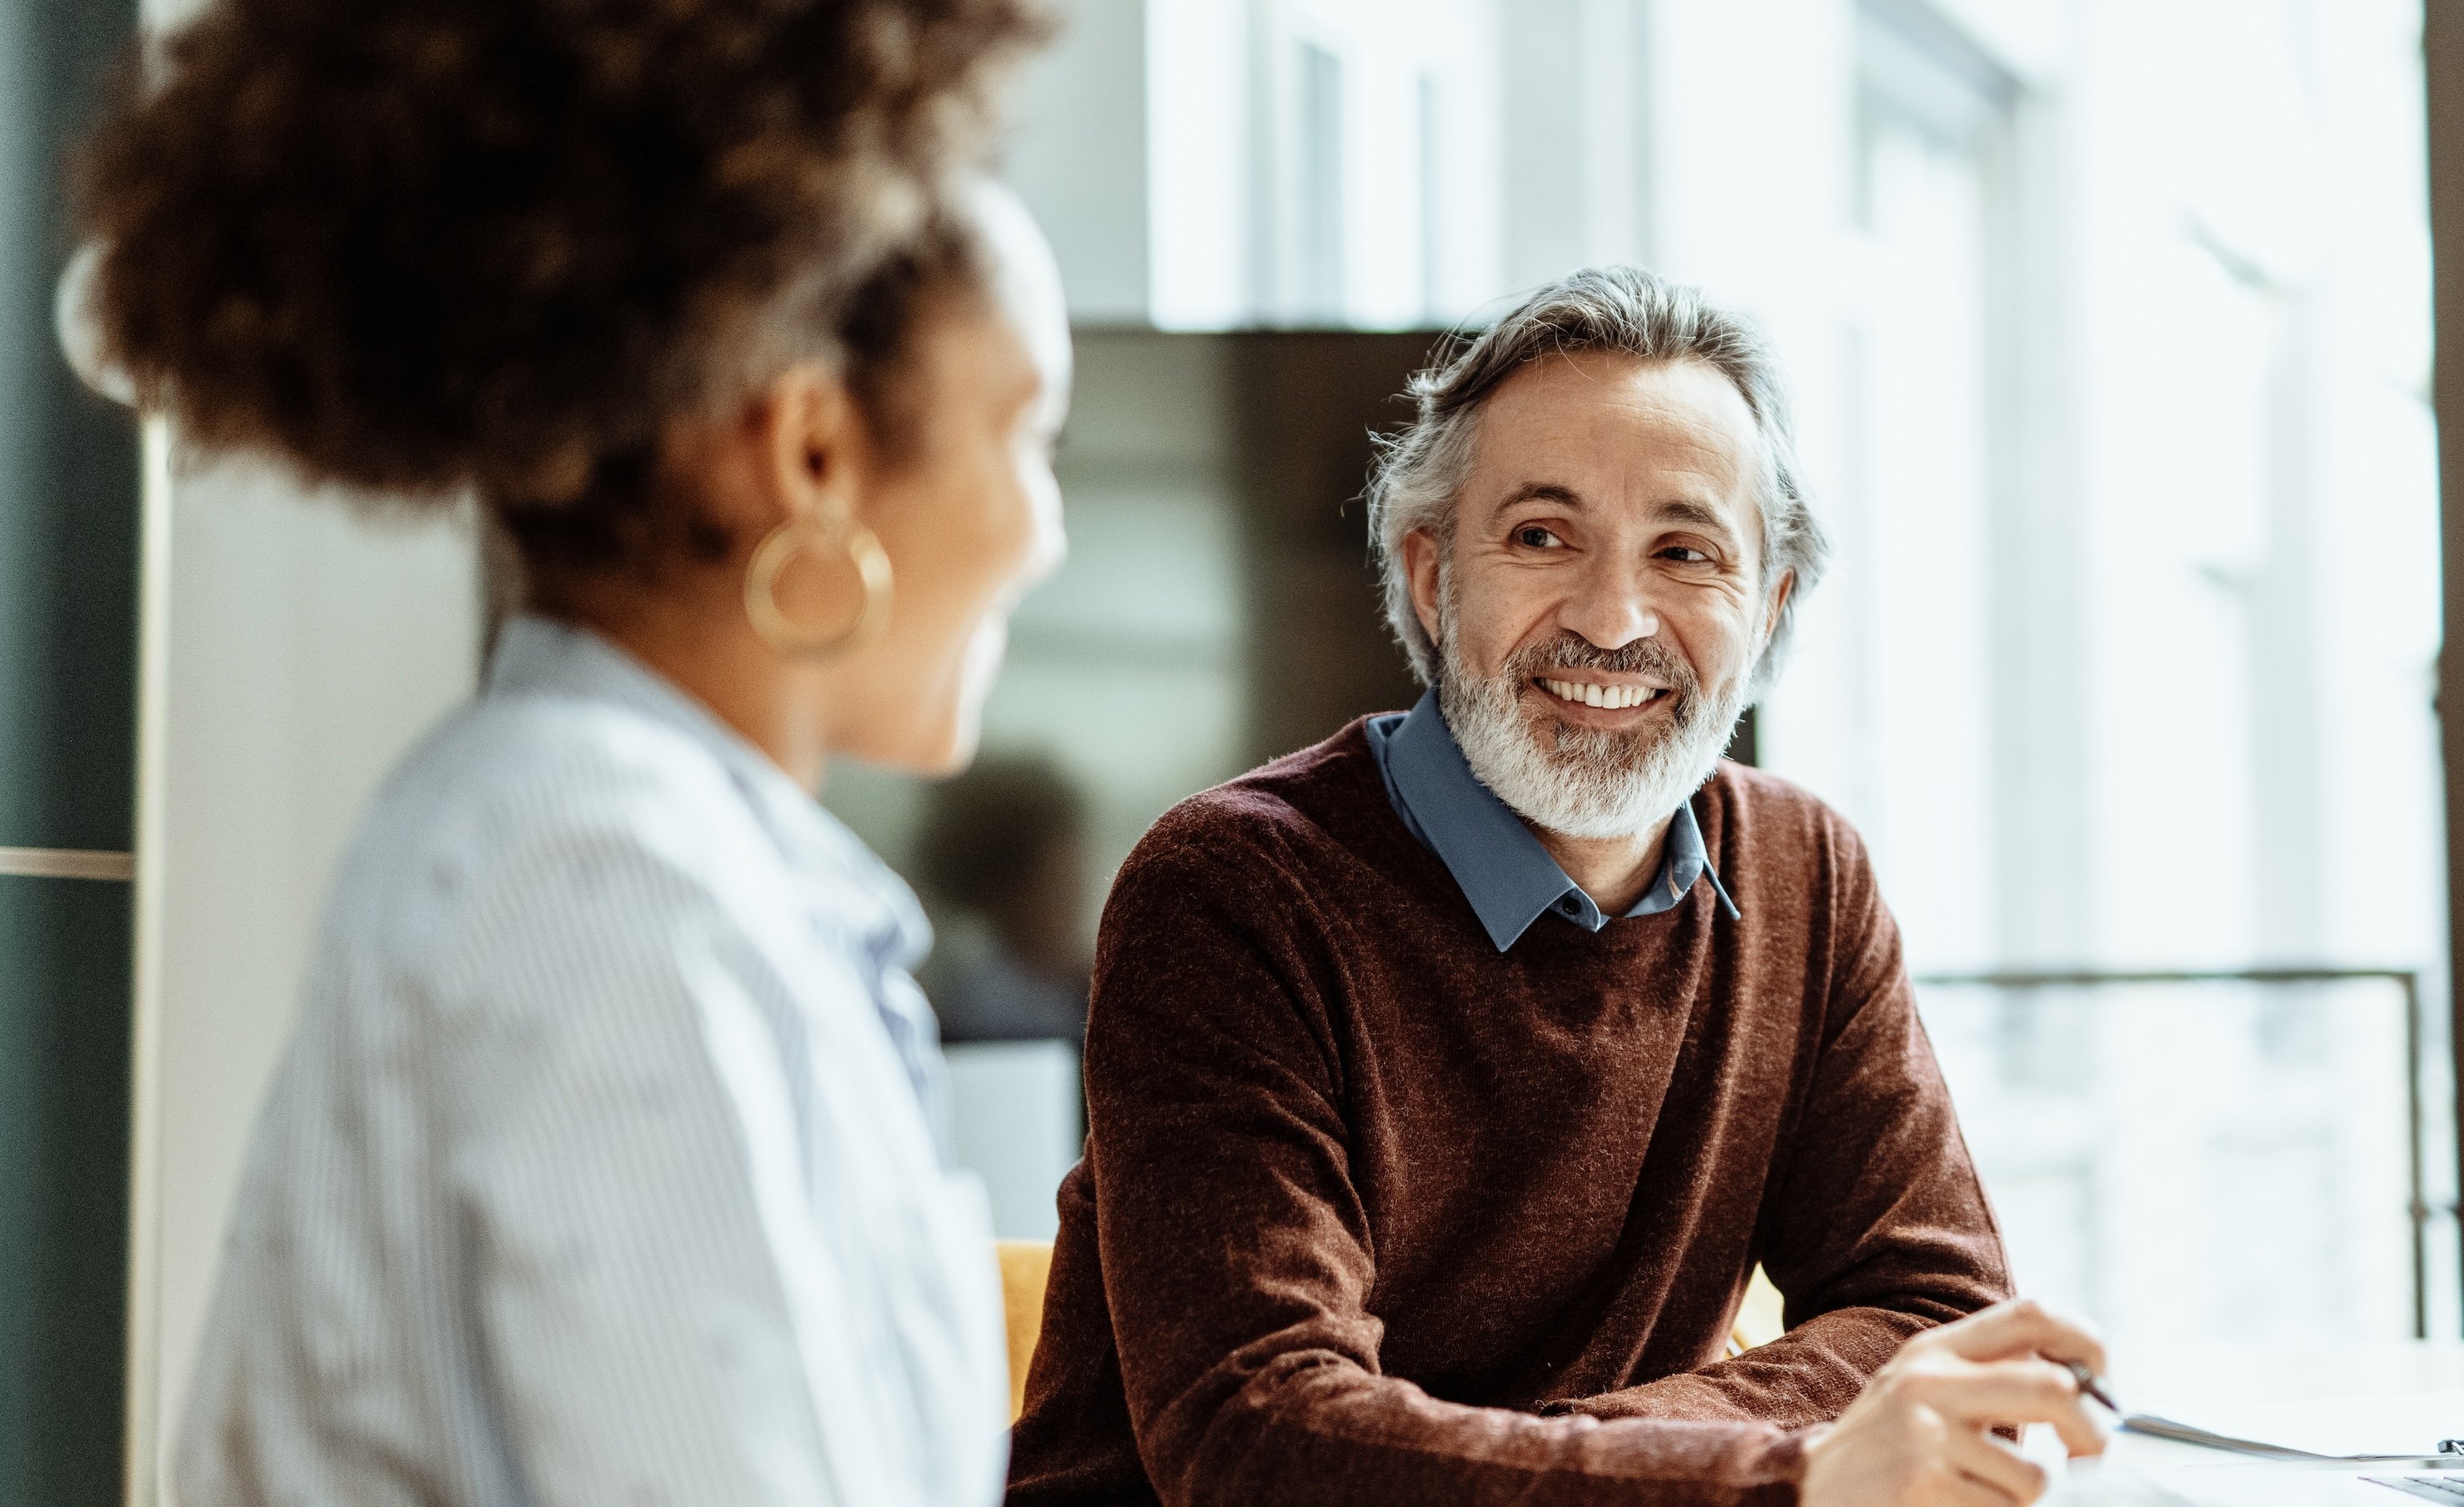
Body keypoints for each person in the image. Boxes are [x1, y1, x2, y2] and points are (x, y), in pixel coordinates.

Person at [75, 1, 1061, 1502]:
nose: (1043, 534)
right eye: (1025, 433)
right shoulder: (611, 882)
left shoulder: (612, 840)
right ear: (806, 450)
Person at [1007, 266, 2111, 1507]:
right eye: (1543, 536)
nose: (1615, 616)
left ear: (1771, 607)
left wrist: (1528, 1459)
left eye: (1686, 551)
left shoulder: (1808, 873)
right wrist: (1779, 1477)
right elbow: (1259, 1438)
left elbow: (1934, 1311)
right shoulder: (1232, 889)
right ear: (1433, 579)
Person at [919, 754, 1094, 1046]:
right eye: (1059, 884)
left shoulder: (1081, 984)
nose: (1077, 895)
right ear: (1002, 892)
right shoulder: (986, 1012)